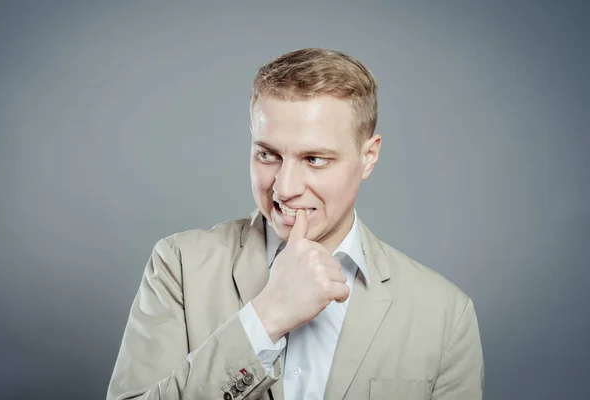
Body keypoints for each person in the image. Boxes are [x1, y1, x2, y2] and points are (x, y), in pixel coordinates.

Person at [107, 48, 484, 400]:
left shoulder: (446, 314)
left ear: (369, 157)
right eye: (267, 154)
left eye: (314, 159)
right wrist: (266, 316)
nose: (284, 188)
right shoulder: (179, 265)